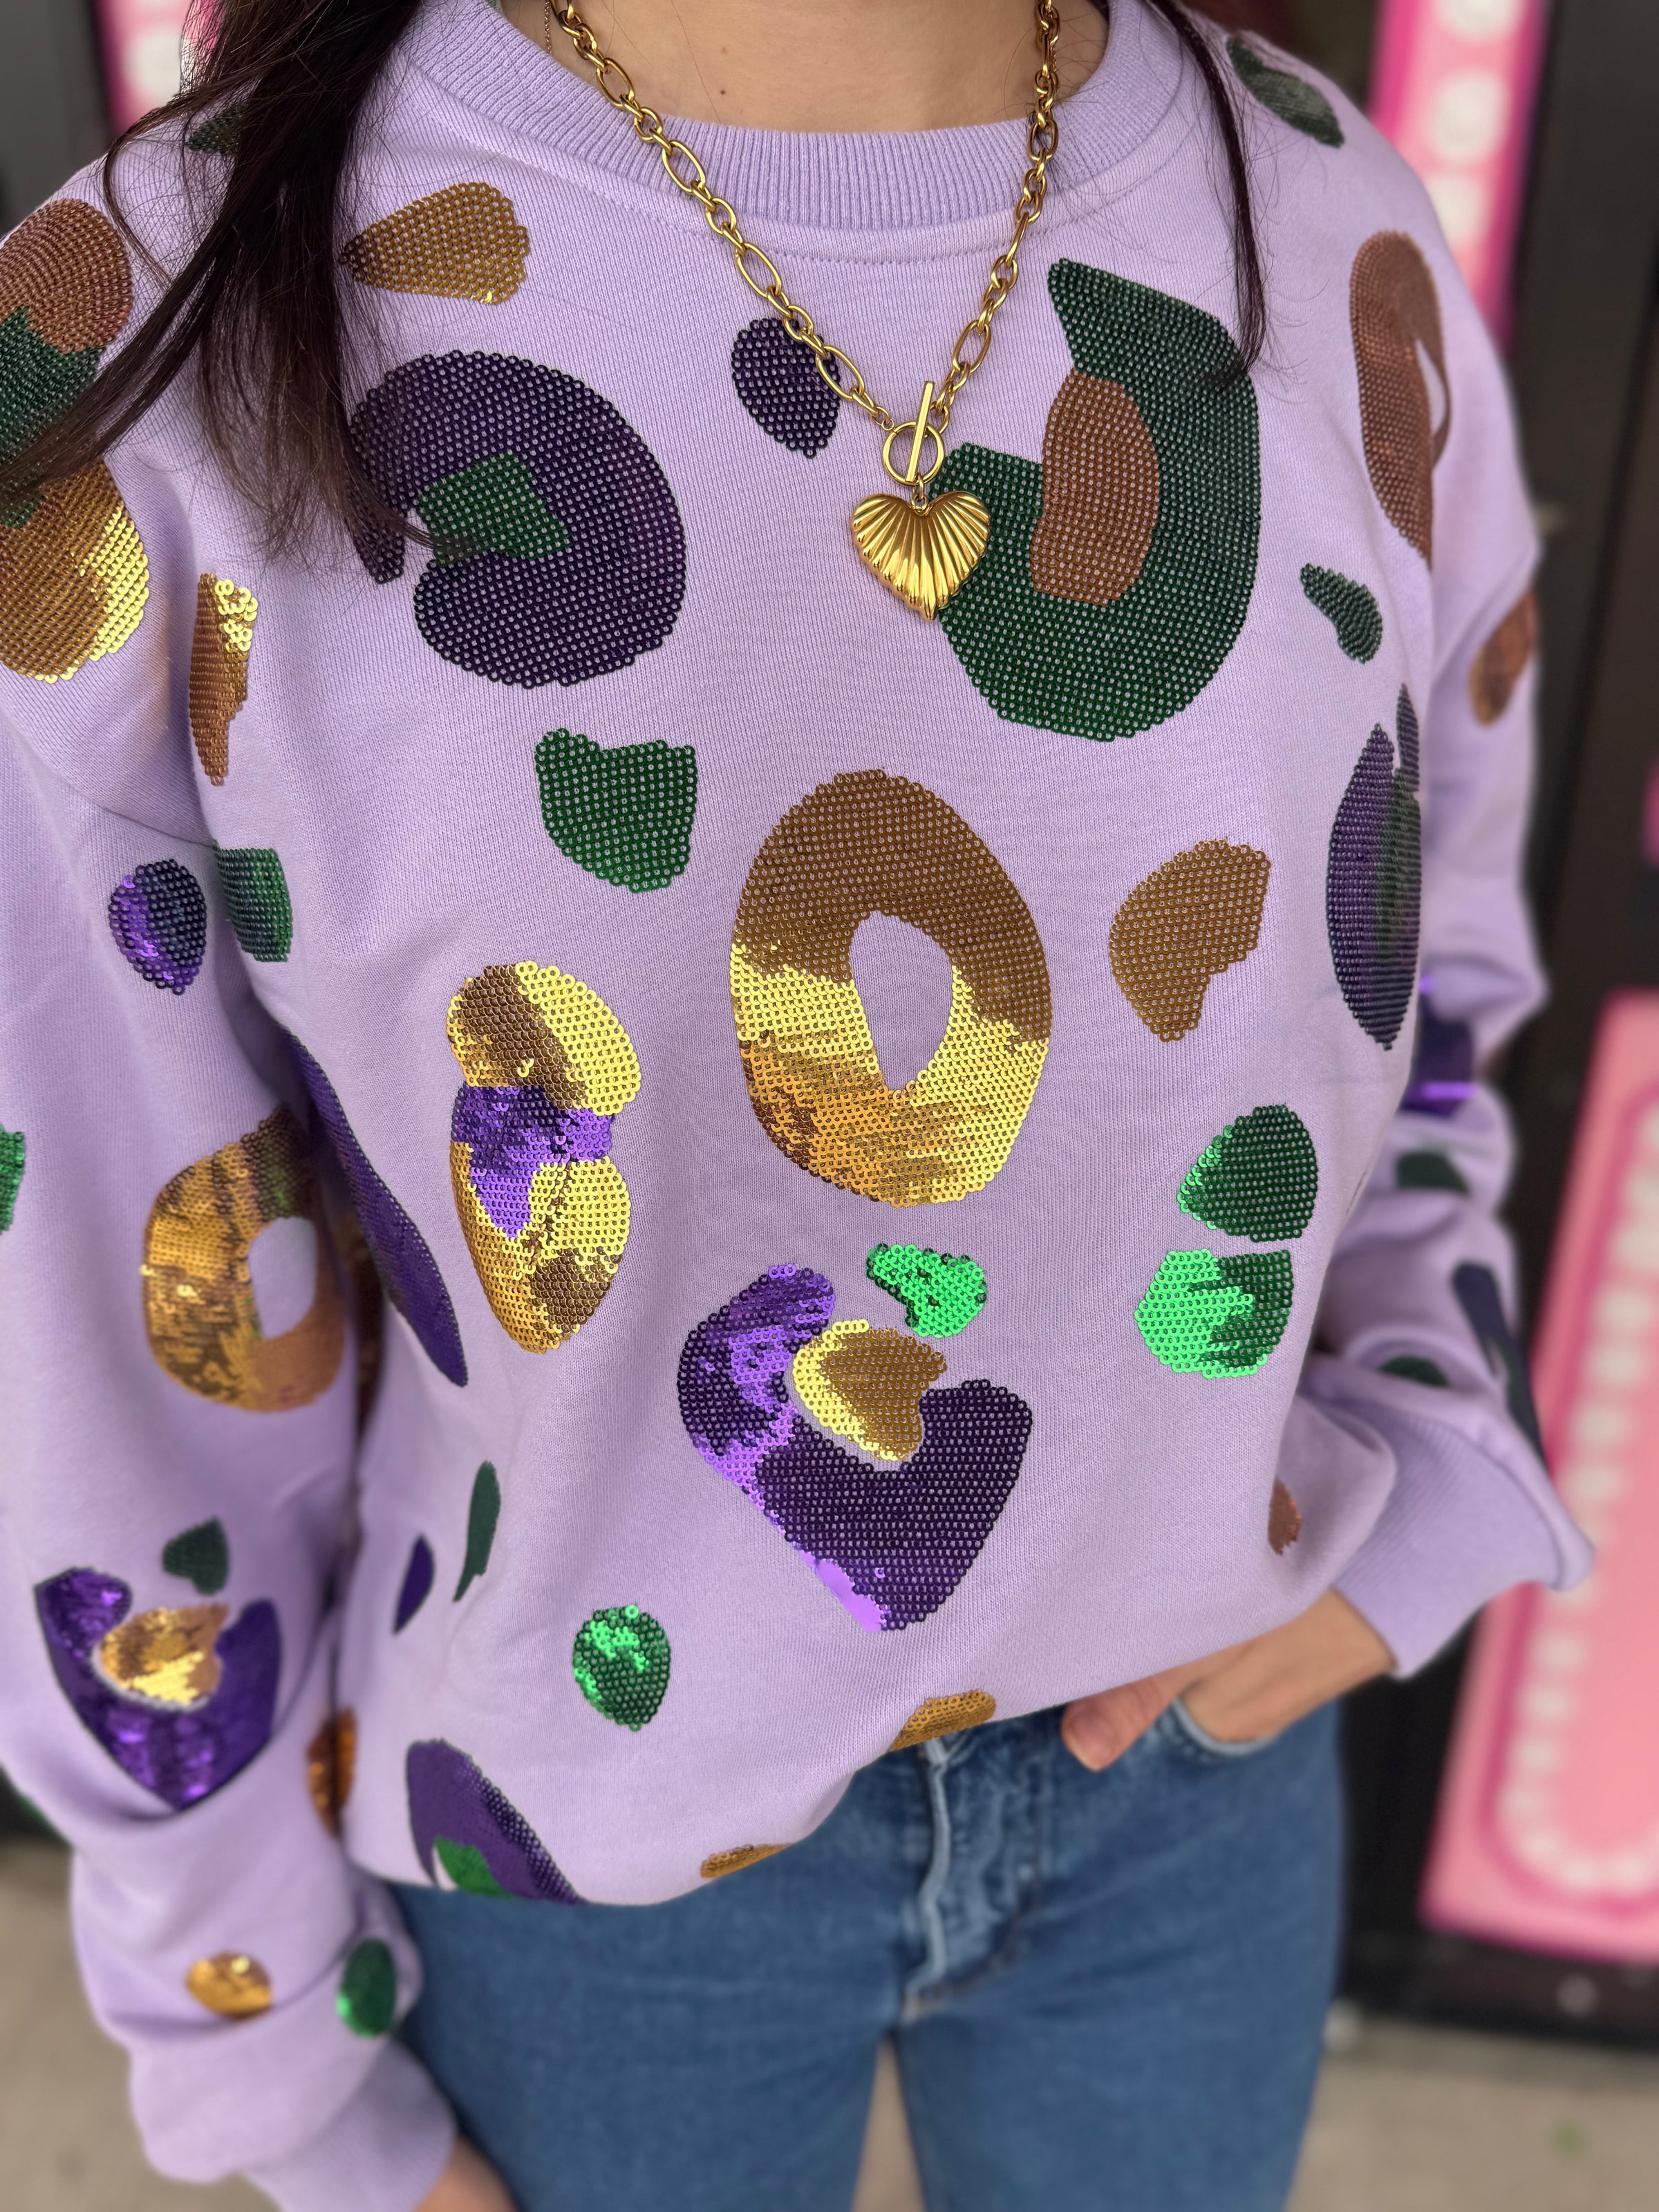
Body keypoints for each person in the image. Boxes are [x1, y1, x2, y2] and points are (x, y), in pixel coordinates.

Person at [0, 0, 1587, 2206]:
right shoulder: (144, 338)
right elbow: (95, 1308)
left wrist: (1429, 1431)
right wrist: (265, 2045)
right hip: (574, 1829)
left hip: (1204, 1765)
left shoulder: (1318, 219)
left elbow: (1437, 956)